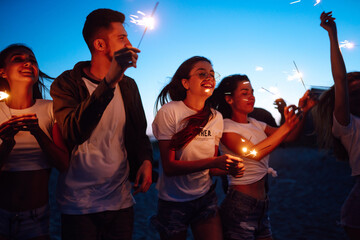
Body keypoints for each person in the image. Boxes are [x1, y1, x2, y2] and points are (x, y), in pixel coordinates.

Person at [50, 9, 153, 240]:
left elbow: (138, 133)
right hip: (79, 205)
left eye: (127, 37)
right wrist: (109, 82)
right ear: (99, 44)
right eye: (121, 38)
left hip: (121, 201)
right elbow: (73, 132)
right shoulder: (66, 83)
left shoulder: (129, 85)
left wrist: (146, 160)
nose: (128, 42)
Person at [210, 74, 316, 240]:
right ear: (229, 99)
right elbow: (254, 153)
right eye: (245, 93)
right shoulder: (226, 127)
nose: (251, 96)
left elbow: (289, 137)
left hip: (262, 205)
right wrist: (286, 126)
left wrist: (303, 110)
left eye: (252, 92)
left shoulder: (256, 123)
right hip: (240, 205)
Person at [151, 56, 244, 240]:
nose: (209, 77)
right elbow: (169, 167)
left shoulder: (215, 117)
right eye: (202, 73)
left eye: (211, 74)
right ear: (186, 83)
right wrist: (216, 161)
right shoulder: (170, 112)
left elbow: (211, 168)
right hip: (173, 202)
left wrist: (229, 169)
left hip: (205, 197)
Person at [0, 44, 69, 240]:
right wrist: (6, 143)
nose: (28, 62)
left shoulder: (51, 109)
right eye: (18, 59)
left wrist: (37, 132)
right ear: (2, 72)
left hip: (37, 218)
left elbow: (64, 164)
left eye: (32, 59)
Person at [313, 11, 360, 239]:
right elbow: (340, 78)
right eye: (353, 80)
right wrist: (333, 35)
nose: (357, 81)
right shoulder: (346, 123)